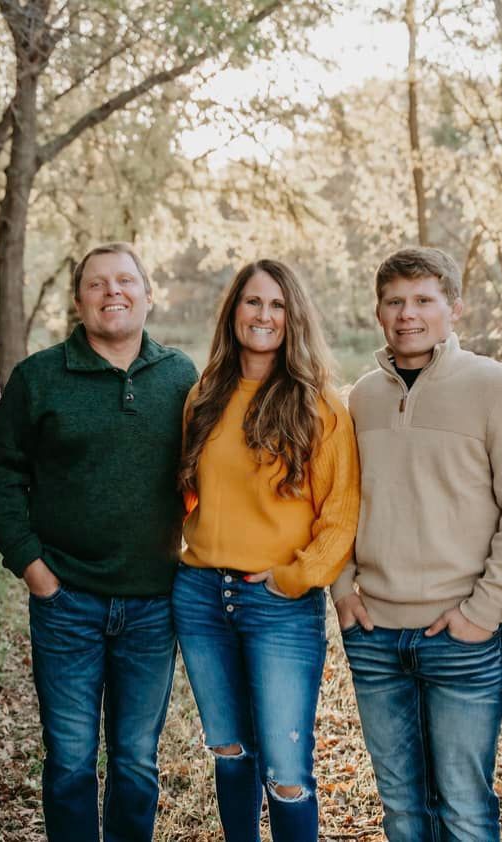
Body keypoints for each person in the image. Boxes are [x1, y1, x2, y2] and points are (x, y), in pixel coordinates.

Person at [0, 242, 197, 842]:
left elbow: (211, 472)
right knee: (71, 760)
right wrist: (31, 564)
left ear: (149, 295)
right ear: (78, 301)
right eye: (97, 284)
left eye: (125, 281)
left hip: (153, 602)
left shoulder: (181, 376)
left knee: (134, 761)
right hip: (66, 601)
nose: (112, 294)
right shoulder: (39, 377)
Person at [330, 246, 502, 842]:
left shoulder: (497, 387)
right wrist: (343, 587)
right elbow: (340, 503)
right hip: (373, 635)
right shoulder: (363, 397)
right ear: (378, 312)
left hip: (461, 635)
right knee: (401, 809)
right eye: (395, 302)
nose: (409, 314)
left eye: (424, 300)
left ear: (453, 306)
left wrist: (483, 612)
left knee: (464, 809)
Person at [173, 259, 359, 842]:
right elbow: (189, 491)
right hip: (202, 597)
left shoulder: (319, 405)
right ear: (233, 312)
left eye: (277, 305)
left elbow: (341, 513)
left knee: (285, 774)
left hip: (279, 603)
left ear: (293, 317)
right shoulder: (203, 395)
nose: (264, 315)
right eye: (253, 302)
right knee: (229, 752)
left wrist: (294, 578)